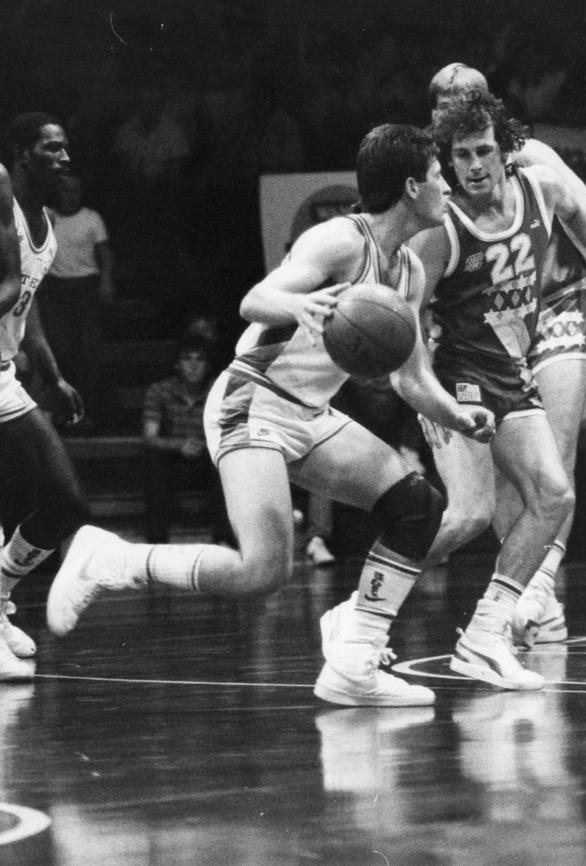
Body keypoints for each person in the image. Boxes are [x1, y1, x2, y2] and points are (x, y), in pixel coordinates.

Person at [46, 123, 495, 707]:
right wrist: (299, 304)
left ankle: (354, 661)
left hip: (309, 413)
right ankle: (113, 558)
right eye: (440, 175)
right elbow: (254, 300)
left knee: (417, 506)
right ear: (412, 186)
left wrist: (459, 417)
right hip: (250, 400)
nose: (449, 186)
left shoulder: (407, 271)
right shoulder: (340, 240)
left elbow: (409, 377)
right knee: (264, 571)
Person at [410, 89, 586, 689]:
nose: (474, 165)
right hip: (461, 373)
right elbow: (406, 318)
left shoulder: (542, 183)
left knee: (554, 492)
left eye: (483, 152)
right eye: (463, 156)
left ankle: (489, 630)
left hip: (516, 363)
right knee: (470, 513)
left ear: (505, 150)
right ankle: (361, 614)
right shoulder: (440, 226)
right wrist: (427, 395)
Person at [0, 112, 89, 680]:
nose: (64, 157)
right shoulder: (1, 192)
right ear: (22, 155)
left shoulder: (48, 226)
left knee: (65, 504)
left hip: (5, 372)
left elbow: (23, 307)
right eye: (51, 148)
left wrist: (52, 376)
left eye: (65, 148)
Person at [38, 171, 114, 431]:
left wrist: (106, 281)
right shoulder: (47, 216)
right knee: (59, 350)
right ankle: (60, 413)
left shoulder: (92, 218)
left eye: (74, 190)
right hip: (55, 291)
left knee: (87, 352)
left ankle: (89, 413)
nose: (69, 195)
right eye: (65, 190)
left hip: (85, 289)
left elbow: (105, 254)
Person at [142, 333, 232, 545]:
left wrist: (207, 446)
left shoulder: (217, 390)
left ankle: (224, 537)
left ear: (208, 365)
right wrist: (179, 445)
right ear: (176, 364)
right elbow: (149, 437)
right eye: (187, 359)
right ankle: (157, 538)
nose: (193, 366)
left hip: (207, 457)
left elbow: (230, 431)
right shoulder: (159, 390)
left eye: (199, 359)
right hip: (172, 460)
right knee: (153, 458)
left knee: (228, 459)